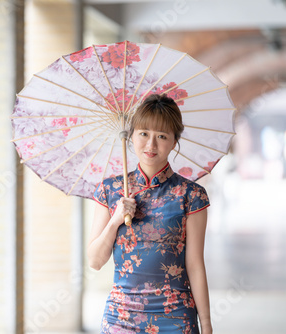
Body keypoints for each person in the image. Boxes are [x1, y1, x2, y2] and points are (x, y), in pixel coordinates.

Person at [88, 94, 212, 334]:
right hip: (121, 318)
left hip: (175, 317)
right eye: (144, 133)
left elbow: (195, 264)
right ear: (131, 135)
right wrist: (115, 220)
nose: (151, 145)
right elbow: (95, 261)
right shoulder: (110, 190)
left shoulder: (192, 195)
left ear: (175, 141)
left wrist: (205, 323)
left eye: (162, 136)